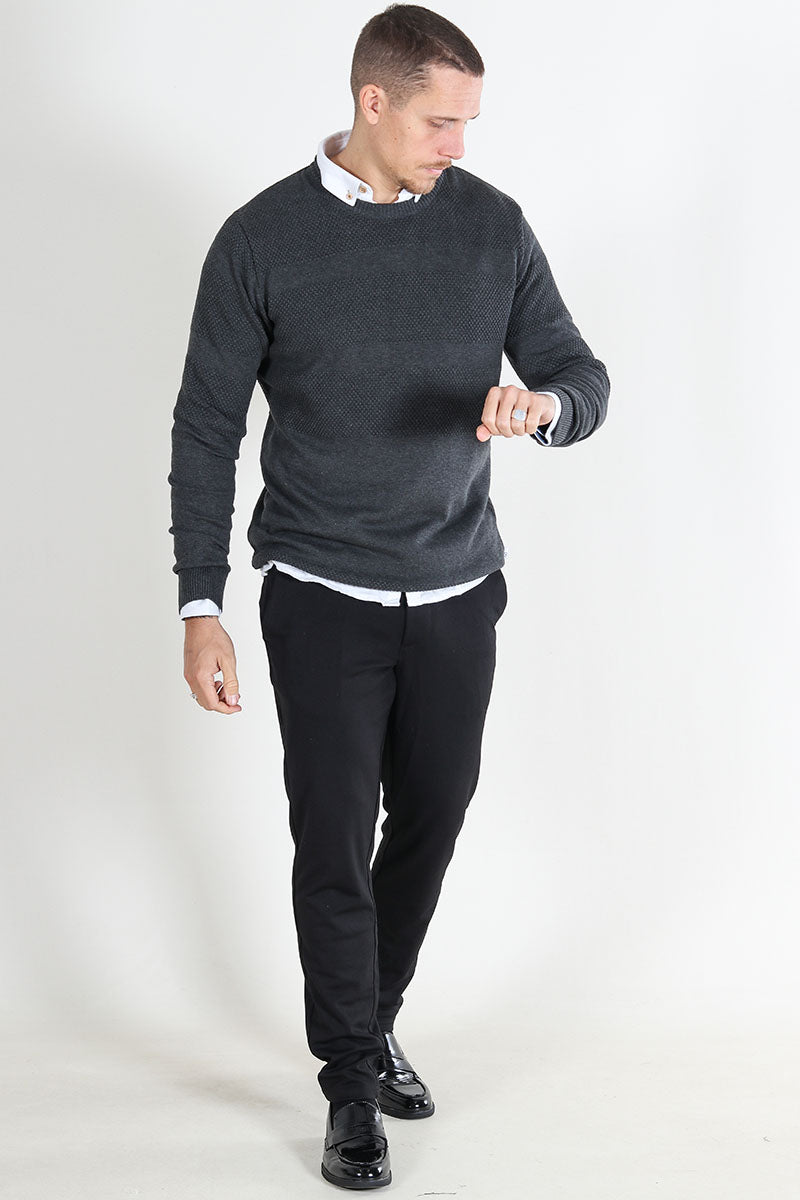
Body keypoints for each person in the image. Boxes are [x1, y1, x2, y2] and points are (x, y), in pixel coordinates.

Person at [168, 3, 610, 1189]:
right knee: (331, 836)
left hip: (458, 586)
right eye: (437, 123)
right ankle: (349, 1084)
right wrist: (200, 604)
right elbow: (207, 429)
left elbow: (580, 374)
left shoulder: (490, 227)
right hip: (319, 590)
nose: (457, 146)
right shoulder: (260, 240)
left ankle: (373, 1016)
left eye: (468, 123)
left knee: (432, 815)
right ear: (373, 102)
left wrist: (542, 407)